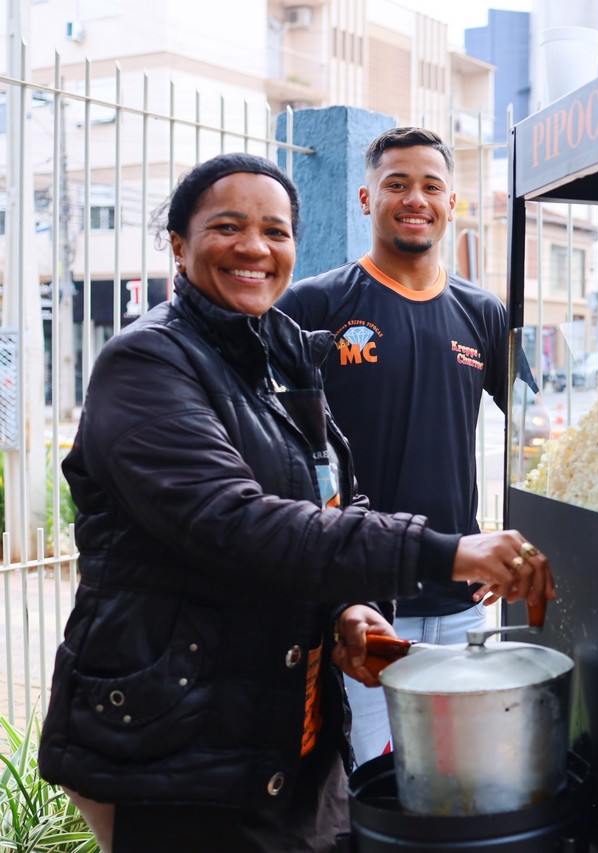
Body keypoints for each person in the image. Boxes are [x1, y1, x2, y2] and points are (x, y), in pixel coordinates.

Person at [37, 152, 554, 853]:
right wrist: (448, 551)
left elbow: (335, 496)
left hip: (286, 723)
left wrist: (346, 605)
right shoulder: (147, 363)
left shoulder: (280, 354)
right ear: (179, 245)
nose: (254, 247)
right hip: (177, 738)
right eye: (228, 227)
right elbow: (236, 524)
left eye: (275, 231)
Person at [276, 127, 519, 764]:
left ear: (452, 203)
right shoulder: (313, 305)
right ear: (367, 198)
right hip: (362, 607)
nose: (416, 199)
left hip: (461, 603)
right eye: (397, 184)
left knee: (461, 775)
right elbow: (281, 452)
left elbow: (531, 433)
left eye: (432, 186)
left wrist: (517, 539)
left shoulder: (483, 313)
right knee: (370, 782)